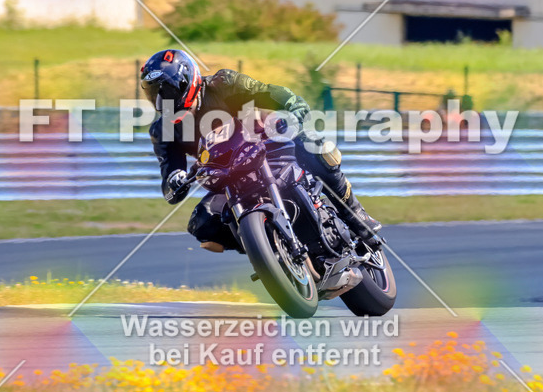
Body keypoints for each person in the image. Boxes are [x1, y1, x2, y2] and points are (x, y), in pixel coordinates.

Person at [139, 48, 382, 253]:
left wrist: (291, 108)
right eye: (156, 96)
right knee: (202, 224)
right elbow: (170, 181)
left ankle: (356, 216)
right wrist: (175, 181)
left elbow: (272, 93)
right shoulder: (163, 131)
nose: (164, 102)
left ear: (187, 80)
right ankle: (270, 250)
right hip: (226, 179)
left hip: (267, 150)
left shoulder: (223, 84)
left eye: (168, 92)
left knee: (314, 145)